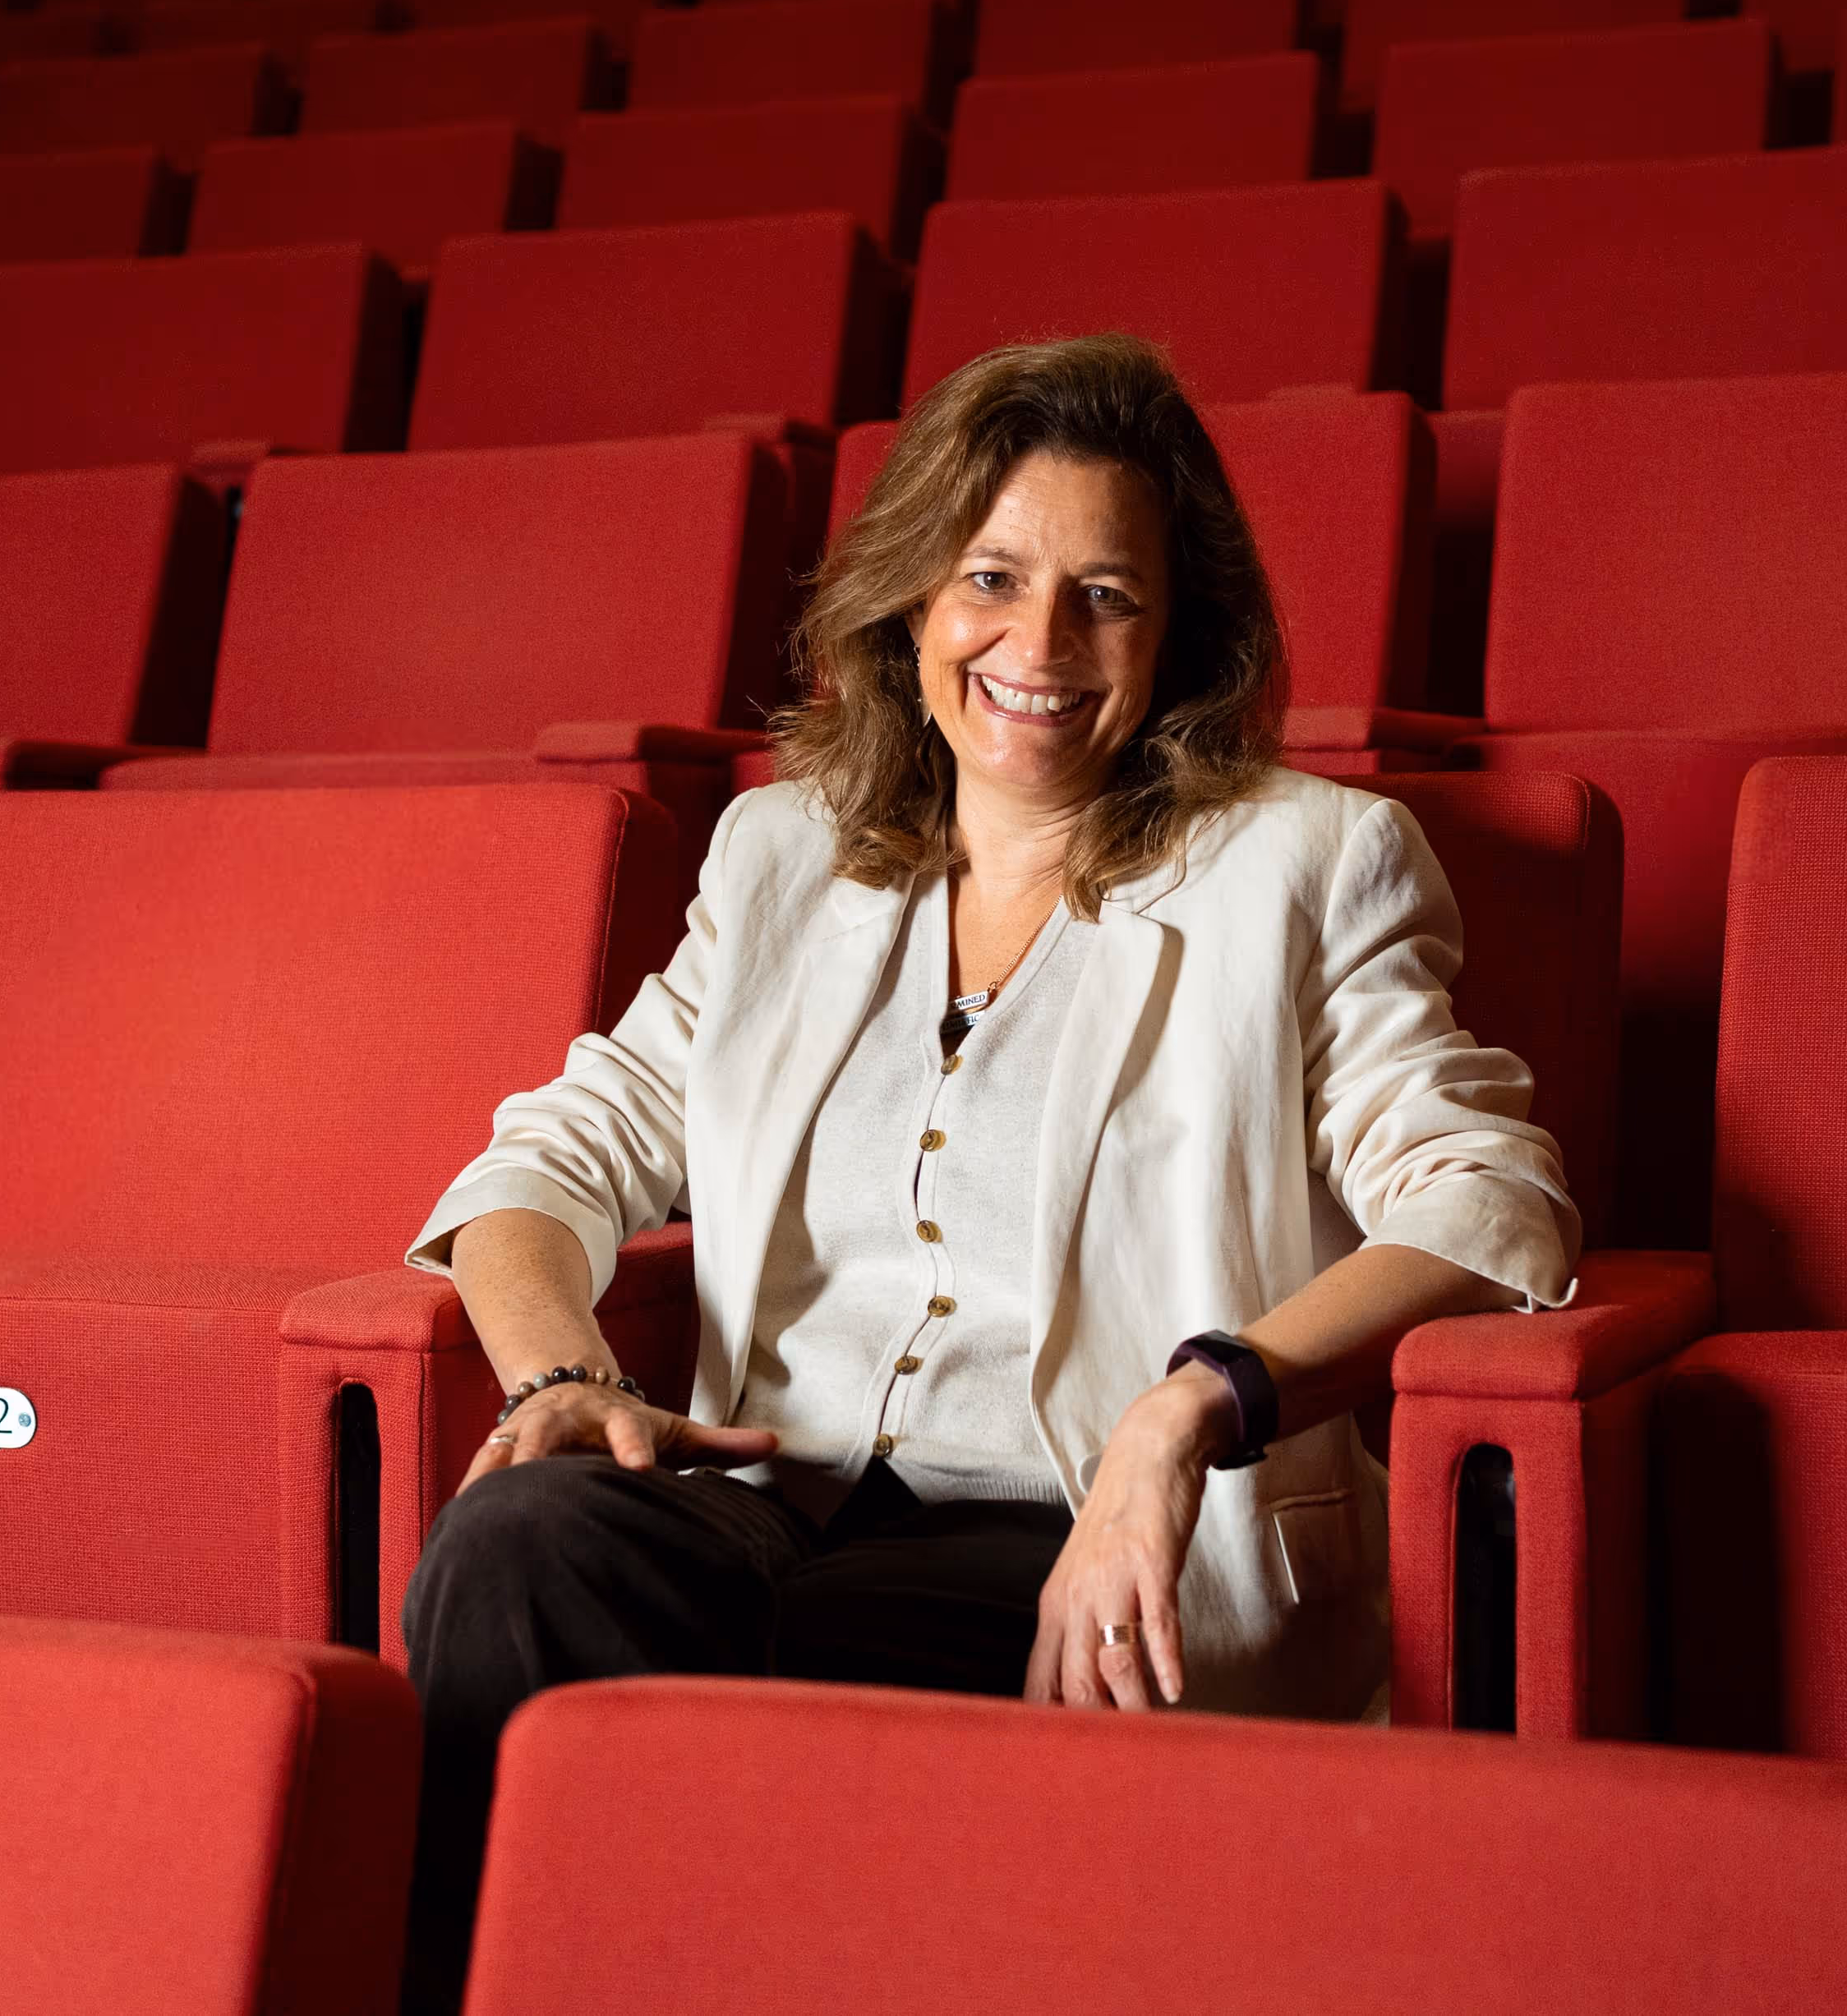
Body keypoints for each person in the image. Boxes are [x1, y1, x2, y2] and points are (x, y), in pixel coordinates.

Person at [394, 332, 1578, 2000]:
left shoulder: (1307, 865)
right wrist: (565, 1370)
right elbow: (551, 1160)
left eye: (1105, 593)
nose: (1039, 644)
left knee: (834, 1719)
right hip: (776, 1505)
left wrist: (1187, 1412)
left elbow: (1485, 1203)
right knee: (523, 1545)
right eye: (992, 579)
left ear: (1175, 638)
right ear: (912, 604)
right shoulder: (780, 854)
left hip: (1092, 1553)